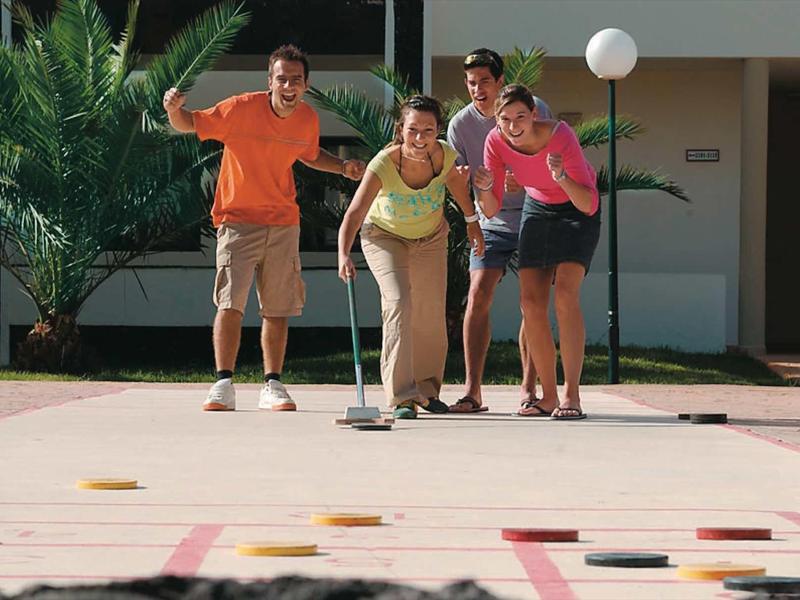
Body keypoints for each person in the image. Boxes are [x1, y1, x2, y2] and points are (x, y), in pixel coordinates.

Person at [163, 44, 365, 412]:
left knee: (277, 308)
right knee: (230, 303)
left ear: (306, 84)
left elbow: (311, 154)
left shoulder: (306, 119)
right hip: (237, 220)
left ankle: (273, 384)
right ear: (269, 81)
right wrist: (174, 109)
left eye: (296, 80)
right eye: (282, 78)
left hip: (284, 222)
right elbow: (189, 122)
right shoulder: (240, 108)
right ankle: (223, 382)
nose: (289, 86)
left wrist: (342, 166)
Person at [337, 95, 485, 419]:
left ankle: (427, 391)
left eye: (428, 130)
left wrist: (473, 226)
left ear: (438, 131)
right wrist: (343, 254)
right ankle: (402, 396)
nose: (420, 138)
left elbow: (460, 191)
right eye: (413, 129)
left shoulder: (444, 155)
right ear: (401, 129)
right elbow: (355, 212)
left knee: (431, 312)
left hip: (430, 238)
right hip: (384, 237)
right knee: (399, 302)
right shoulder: (384, 164)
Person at [474, 84, 600, 420]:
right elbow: (491, 209)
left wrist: (559, 175)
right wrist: (484, 188)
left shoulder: (561, 136)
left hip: (577, 209)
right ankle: (547, 396)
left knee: (565, 297)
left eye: (520, 117)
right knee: (530, 303)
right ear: (496, 121)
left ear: (534, 115)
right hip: (538, 208)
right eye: (505, 119)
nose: (513, 126)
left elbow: (587, 203)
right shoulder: (495, 143)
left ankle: (571, 395)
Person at [446, 48, 552, 414]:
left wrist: (526, 180)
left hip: (536, 214)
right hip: (490, 220)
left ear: (500, 81)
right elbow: (457, 181)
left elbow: (552, 159)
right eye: (472, 83)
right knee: (478, 294)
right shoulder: (460, 125)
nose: (478, 90)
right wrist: (470, 208)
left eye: (485, 82)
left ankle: (529, 388)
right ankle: (472, 392)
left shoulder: (534, 107)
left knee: (532, 301)